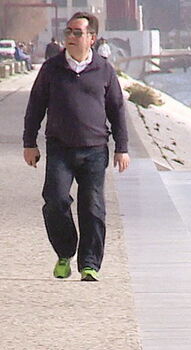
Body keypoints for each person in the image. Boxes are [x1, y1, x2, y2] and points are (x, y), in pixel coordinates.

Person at [23, 12, 130, 282]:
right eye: (68, 32)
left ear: (91, 38)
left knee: (93, 208)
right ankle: (65, 251)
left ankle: (90, 264)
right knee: (56, 201)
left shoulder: (104, 70)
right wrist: (29, 142)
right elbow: (35, 106)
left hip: (95, 150)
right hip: (60, 148)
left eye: (77, 33)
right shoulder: (52, 68)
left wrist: (122, 147)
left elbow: (117, 109)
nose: (70, 37)